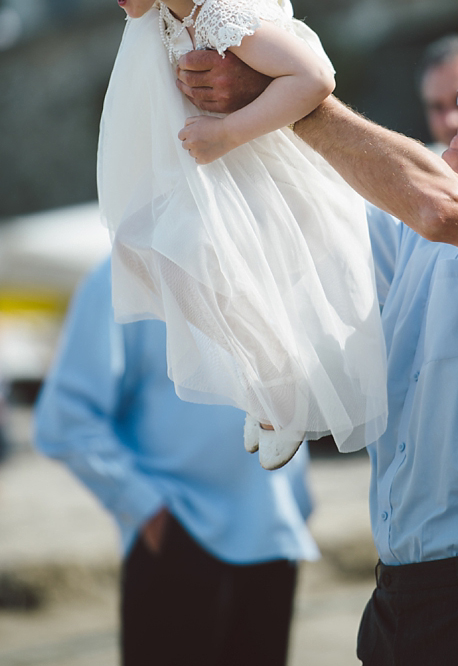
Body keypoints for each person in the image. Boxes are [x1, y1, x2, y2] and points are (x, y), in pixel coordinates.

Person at [176, 26, 458, 665]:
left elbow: (436, 207)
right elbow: (314, 224)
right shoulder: (420, 222)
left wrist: (290, 98)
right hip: (402, 592)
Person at [83, 0, 387, 471]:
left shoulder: (221, 3)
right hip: (227, 171)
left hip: (268, 172)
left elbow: (313, 76)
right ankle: (270, 381)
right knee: (143, 246)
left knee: (177, 248)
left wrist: (228, 133)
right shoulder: (167, 10)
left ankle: (281, 390)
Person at [34, 258, 319, 666]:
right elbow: (64, 419)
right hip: (179, 541)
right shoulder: (123, 274)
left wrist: (298, 502)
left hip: (276, 537)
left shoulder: (273, 262)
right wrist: (149, 511)